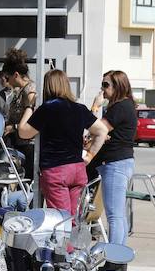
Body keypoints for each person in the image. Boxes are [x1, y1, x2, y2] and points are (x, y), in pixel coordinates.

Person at [18, 69, 110, 216]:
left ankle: (64, 240)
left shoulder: (48, 108)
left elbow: (23, 132)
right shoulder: (79, 108)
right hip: (77, 169)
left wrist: (29, 106)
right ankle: (72, 240)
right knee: (73, 219)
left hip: (56, 170)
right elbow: (102, 131)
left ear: (47, 87)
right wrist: (90, 155)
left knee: (61, 220)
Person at [89, 69, 138, 252]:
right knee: (118, 215)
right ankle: (119, 255)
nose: (102, 89)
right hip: (120, 163)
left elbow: (96, 129)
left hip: (116, 164)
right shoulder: (123, 106)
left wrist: (95, 106)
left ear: (118, 86)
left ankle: (115, 258)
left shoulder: (120, 107)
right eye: (102, 84)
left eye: (106, 85)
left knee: (114, 216)